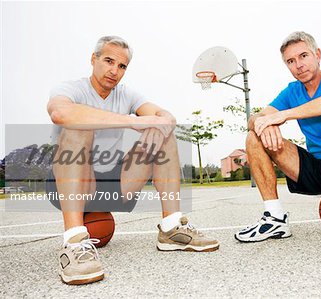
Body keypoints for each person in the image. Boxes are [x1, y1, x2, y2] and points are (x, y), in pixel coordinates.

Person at [47, 36, 219, 285]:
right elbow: (60, 112)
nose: (114, 70)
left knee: (163, 133)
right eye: (108, 61)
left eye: (122, 66)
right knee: (77, 127)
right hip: (67, 181)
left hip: (110, 183)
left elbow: (167, 116)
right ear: (93, 59)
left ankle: (172, 228)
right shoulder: (72, 89)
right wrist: (134, 121)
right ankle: (74, 243)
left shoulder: (126, 94)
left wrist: (158, 123)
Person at [234, 31, 321, 258]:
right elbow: (256, 117)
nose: (298, 65)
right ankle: (275, 219)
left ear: (317, 55)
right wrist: (264, 122)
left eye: (303, 56)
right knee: (255, 135)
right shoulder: (292, 91)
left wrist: (285, 115)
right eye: (291, 61)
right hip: (319, 168)